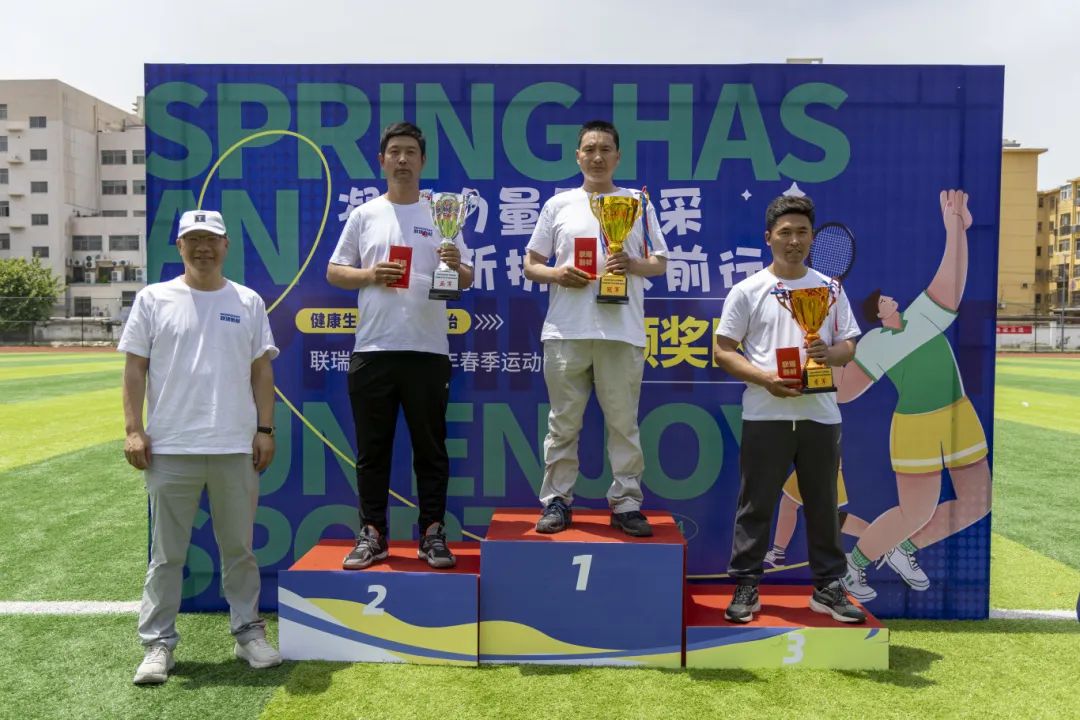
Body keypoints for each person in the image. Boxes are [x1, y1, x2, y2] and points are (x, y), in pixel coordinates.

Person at [120, 209, 282, 685]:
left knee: (239, 550)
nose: (202, 248)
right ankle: (158, 644)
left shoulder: (247, 301)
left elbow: (261, 371)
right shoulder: (153, 298)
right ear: (180, 246)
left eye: (211, 239)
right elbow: (134, 369)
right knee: (166, 555)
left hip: (234, 445)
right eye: (193, 239)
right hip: (171, 446)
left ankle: (248, 634)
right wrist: (133, 429)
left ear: (226, 245)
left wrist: (265, 429)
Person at [713, 194, 866, 624]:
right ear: (769, 238)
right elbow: (723, 351)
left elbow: (849, 345)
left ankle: (828, 587)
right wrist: (765, 379)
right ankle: (747, 584)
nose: (794, 240)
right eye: (785, 233)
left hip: (821, 415)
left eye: (802, 232)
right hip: (765, 413)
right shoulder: (748, 290)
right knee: (756, 504)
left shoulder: (831, 289)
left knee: (824, 505)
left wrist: (829, 353)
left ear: (812, 238)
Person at [327, 122, 473, 571]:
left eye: (411, 152)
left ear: (423, 161)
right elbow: (335, 271)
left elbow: (466, 279)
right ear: (382, 161)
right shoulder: (365, 215)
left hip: (428, 351)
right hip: (374, 349)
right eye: (395, 152)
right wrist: (370, 274)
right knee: (373, 451)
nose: (403, 159)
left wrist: (455, 264)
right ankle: (372, 534)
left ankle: (432, 533)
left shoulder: (443, 213)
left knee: (431, 450)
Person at [839, 189, 989, 602]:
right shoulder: (874, 344)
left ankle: (904, 548)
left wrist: (956, 229)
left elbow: (951, 284)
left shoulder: (922, 315)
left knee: (977, 501)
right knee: (916, 510)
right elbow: (845, 392)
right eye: (884, 300)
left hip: (958, 414)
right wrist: (820, 346)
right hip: (915, 426)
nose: (892, 298)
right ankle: (854, 565)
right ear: (878, 312)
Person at [523, 119, 669, 537]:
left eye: (606, 149)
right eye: (590, 149)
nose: (598, 157)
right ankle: (557, 500)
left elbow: (660, 262)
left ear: (618, 156)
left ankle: (626, 502)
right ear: (578, 156)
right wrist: (556, 274)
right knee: (563, 422)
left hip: (621, 331)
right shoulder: (559, 204)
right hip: (566, 330)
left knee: (623, 423)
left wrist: (632, 264)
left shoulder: (637, 202)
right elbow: (531, 264)